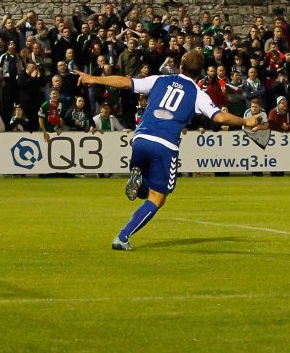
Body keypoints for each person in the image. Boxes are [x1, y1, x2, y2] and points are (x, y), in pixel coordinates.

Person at [76, 50, 266, 251]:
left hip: (140, 139)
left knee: (147, 189)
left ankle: (140, 180)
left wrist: (93, 78)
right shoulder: (197, 93)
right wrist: (245, 121)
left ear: (180, 67)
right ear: (200, 73)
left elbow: (126, 82)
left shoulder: (160, 79)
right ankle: (122, 237)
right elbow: (218, 117)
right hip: (165, 145)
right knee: (158, 198)